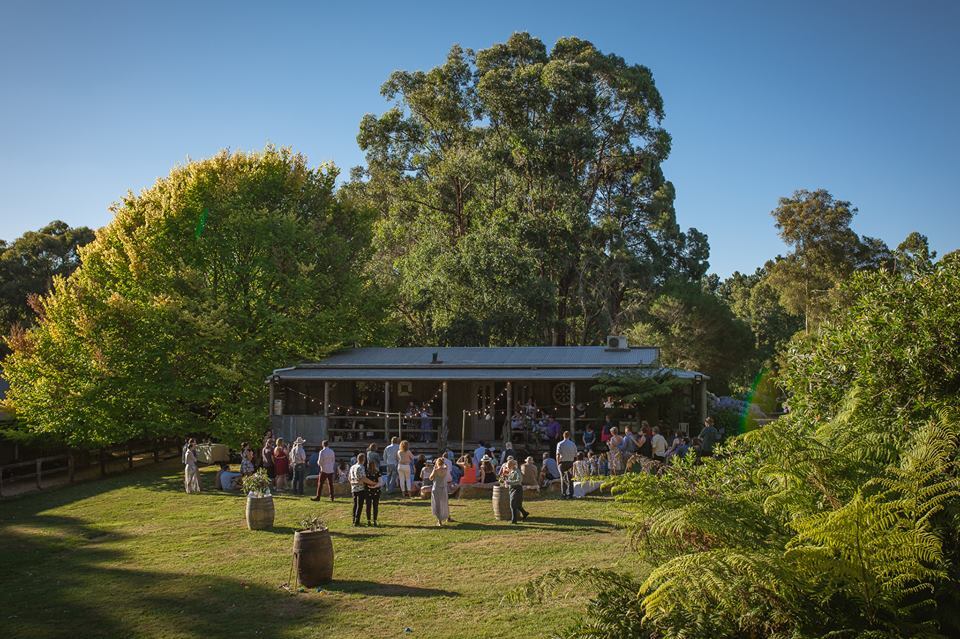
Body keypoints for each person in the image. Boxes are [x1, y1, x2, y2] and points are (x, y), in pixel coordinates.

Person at [349, 453, 378, 526]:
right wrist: (372, 483)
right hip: (360, 488)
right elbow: (363, 478)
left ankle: (353, 519)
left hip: (354, 488)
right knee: (360, 505)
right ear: (364, 460)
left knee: (355, 504)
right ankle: (357, 521)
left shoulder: (352, 467)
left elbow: (349, 477)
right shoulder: (361, 467)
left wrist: (353, 483)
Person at [504, 458, 529, 524]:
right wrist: (506, 481)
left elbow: (519, 480)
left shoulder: (517, 471)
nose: (508, 466)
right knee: (518, 505)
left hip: (517, 489)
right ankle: (525, 513)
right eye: (508, 465)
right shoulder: (511, 471)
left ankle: (514, 520)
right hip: (512, 489)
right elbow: (510, 479)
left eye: (509, 465)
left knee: (512, 504)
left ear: (513, 465)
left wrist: (509, 482)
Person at [429, 458, 452, 526]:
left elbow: (430, 478)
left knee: (437, 504)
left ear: (437, 463)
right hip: (443, 488)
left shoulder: (436, 470)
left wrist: (434, 469)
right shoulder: (445, 469)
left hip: (436, 488)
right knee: (445, 503)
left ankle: (439, 521)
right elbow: (446, 465)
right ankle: (448, 517)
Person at [556, 430, 578, 500]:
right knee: (570, 478)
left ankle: (564, 494)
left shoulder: (560, 444)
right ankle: (571, 494)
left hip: (562, 462)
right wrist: (574, 463)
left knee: (563, 478)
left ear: (563, 436)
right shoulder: (573, 444)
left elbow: (558, 454)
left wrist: (557, 462)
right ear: (569, 436)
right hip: (571, 462)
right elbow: (575, 455)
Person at [365, 458, 383, 526]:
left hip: (368, 490)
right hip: (376, 491)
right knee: (375, 506)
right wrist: (375, 486)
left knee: (368, 506)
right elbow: (381, 482)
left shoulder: (366, 473)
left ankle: (368, 520)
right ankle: (375, 520)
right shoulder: (377, 472)